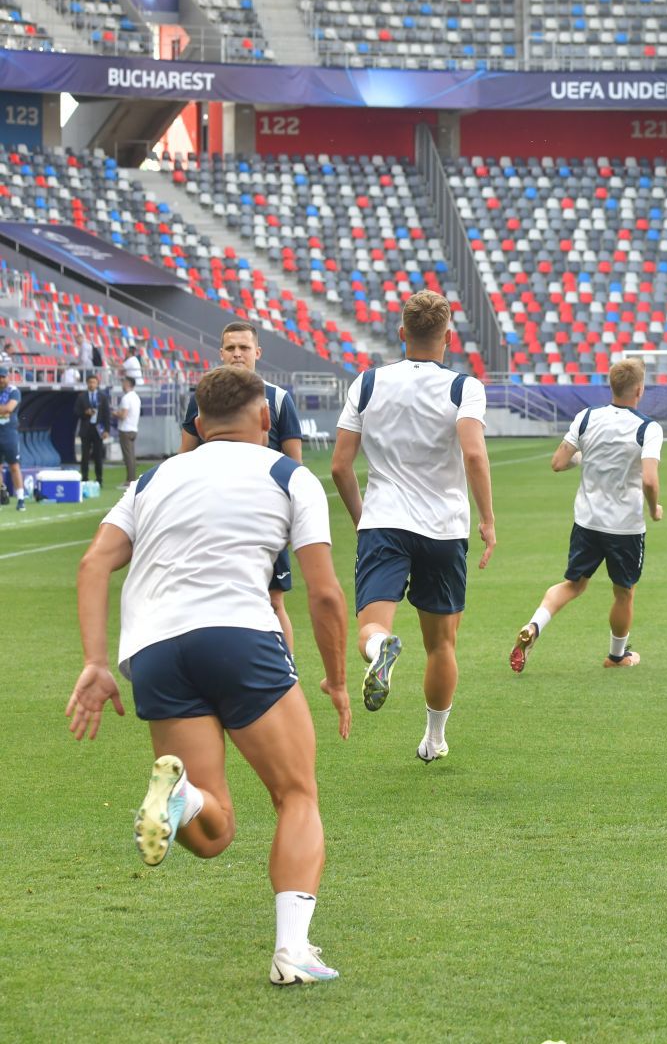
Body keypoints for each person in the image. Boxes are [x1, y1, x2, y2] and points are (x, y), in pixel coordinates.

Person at [65, 366, 351, 985]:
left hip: (157, 651)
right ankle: (292, 952)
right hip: (239, 636)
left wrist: (94, 662)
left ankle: (184, 796)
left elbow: (93, 565)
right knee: (297, 795)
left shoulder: (152, 478)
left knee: (212, 828)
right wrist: (335, 679)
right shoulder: (287, 473)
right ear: (267, 421)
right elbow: (325, 596)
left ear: (196, 425)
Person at [330, 290, 495, 763]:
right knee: (442, 643)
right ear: (448, 337)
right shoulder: (464, 387)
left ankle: (383, 648)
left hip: (384, 522)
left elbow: (341, 467)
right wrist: (486, 519)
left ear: (402, 334)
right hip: (444, 528)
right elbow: (473, 453)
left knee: (371, 628)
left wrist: (365, 520)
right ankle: (434, 740)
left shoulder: (366, 383)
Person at [510, 356, 664, 673]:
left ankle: (534, 625)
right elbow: (649, 479)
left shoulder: (586, 417)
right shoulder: (647, 428)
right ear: (639, 390)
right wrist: (654, 509)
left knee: (572, 585)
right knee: (624, 592)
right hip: (625, 528)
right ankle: (617, 656)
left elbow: (557, 462)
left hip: (588, 521)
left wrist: (578, 460)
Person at [180, 322, 304, 651]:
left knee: (273, 602)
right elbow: (183, 459)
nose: (237, 354)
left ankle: (285, 676)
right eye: (231, 348)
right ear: (220, 353)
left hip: (264, 516)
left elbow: (295, 466)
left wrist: (293, 516)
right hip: (211, 515)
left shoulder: (277, 400)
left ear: (257, 353)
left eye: (244, 348)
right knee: (210, 601)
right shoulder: (201, 399)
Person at [75, 373, 112, 487]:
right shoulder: (82, 397)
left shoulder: (102, 397)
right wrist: (85, 413)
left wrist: (106, 430)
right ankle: (84, 478)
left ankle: (99, 479)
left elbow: (106, 414)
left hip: (98, 429)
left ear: (97, 384)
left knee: (98, 455)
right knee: (85, 455)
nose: (91, 384)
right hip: (86, 428)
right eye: (90, 382)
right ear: (87, 383)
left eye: (94, 382)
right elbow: (76, 412)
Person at [0, 366, 26, 511]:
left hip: (9, 432)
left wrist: (4, 409)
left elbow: (9, 408)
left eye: (3, 377)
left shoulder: (13, 391)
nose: (1, 380)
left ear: (8, 377)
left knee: (14, 466)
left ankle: (21, 499)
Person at [116, 375, 142, 486]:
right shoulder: (136, 397)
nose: (122, 385)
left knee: (128, 456)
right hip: (133, 428)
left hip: (125, 429)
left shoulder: (126, 398)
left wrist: (114, 413)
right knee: (131, 455)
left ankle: (130, 480)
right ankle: (131, 478)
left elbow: (123, 415)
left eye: (123, 382)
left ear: (127, 384)